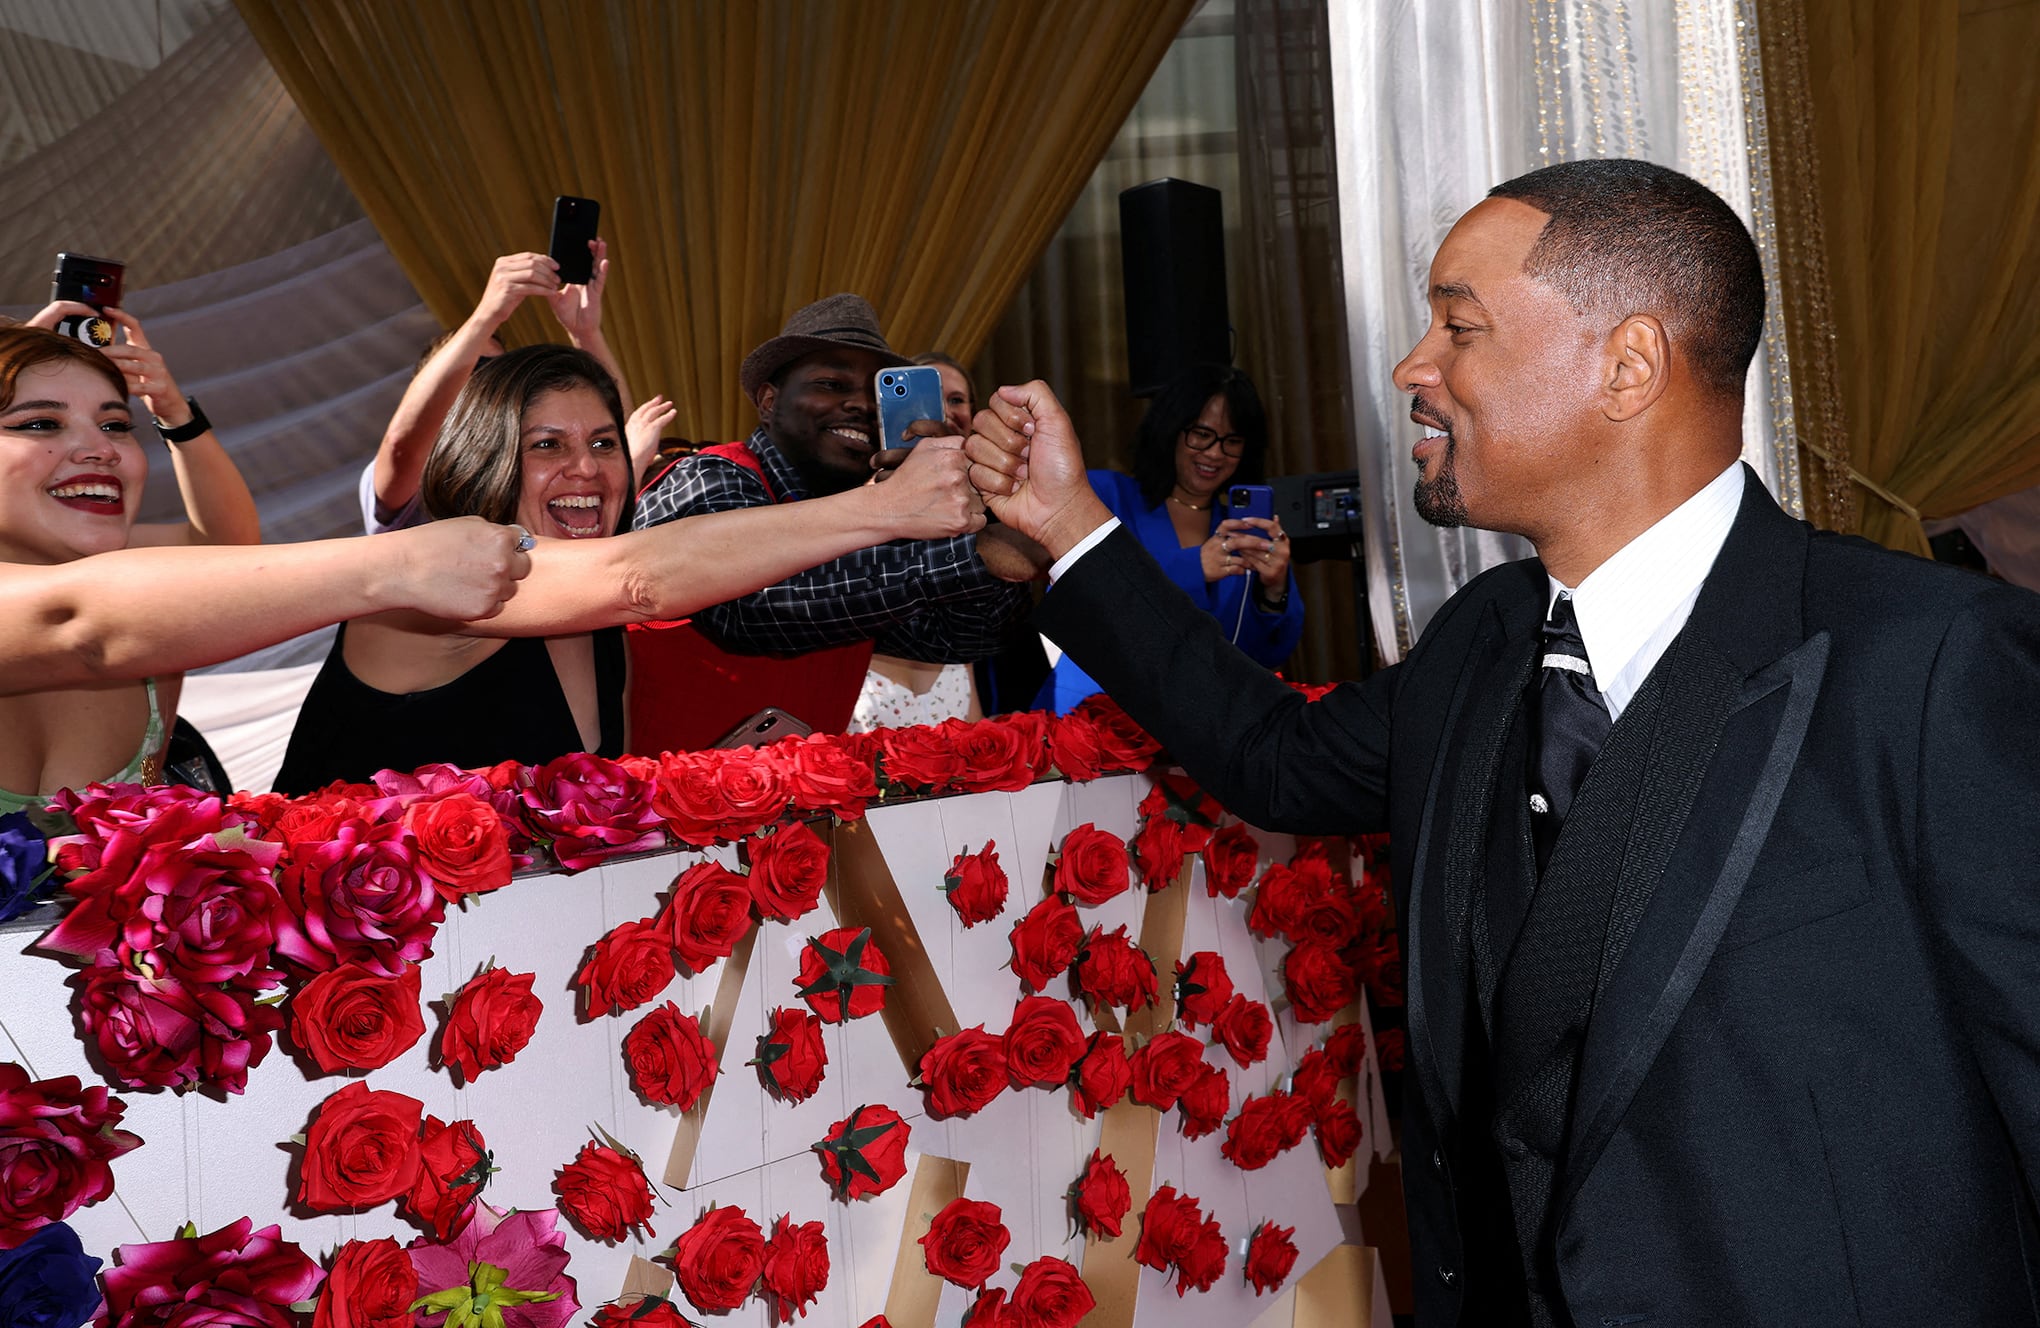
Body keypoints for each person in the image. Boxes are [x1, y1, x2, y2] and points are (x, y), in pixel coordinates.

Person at [967, 159, 2040, 1325]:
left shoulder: (1934, 662)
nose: (1411, 367)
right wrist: (1071, 526)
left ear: (1628, 365)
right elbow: (1275, 756)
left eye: (1457, 325)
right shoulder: (1481, 640)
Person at [275, 343, 985, 791]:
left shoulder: (599, 631)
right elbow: (640, 578)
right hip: (326, 973)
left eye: (606, 443)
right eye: (547, 445)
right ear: (486, 457)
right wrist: (887, 508)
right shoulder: (437, 583)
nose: (586, 467)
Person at [630, 295, 1036, 751]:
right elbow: (751, 610)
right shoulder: (708, 475)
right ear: (769, 400)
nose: (859, 404)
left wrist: (973, 515)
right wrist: (971, 555)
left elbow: (956, 638)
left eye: (874, 390)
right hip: (671, 808)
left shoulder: (872, 511)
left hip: (805, 806)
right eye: (831, 384)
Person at [0, 318, 263, 805]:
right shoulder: (137, 609)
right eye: (40, 423)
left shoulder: (154, 629)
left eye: (116, 425)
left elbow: (228, 550)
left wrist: (175, 412)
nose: (103, 450)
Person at [1036, 363, 1301, 713]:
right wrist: (1194, 567)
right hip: (1092, 717)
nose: (1215, 453)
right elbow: (1077, 600)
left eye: (1232, 441)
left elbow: (1265, 657)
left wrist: (1273, 592)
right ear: (1171, 430)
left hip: (1198, 728)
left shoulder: (1244, 531)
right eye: (1201, 434)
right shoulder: (1104, 496)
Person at [362, 242, 646, 533]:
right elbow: (402, 447)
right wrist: (486, 315)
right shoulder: (415, 477)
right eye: (470, 369)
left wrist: (585, 331)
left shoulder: (530, 462)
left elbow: (611, 429)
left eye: (494, 371)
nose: (484, 384)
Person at [848, 349, 992, 732]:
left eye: (957, 400)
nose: (942, 413)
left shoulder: (988, 515)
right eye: (929, 397)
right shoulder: (853, 505)